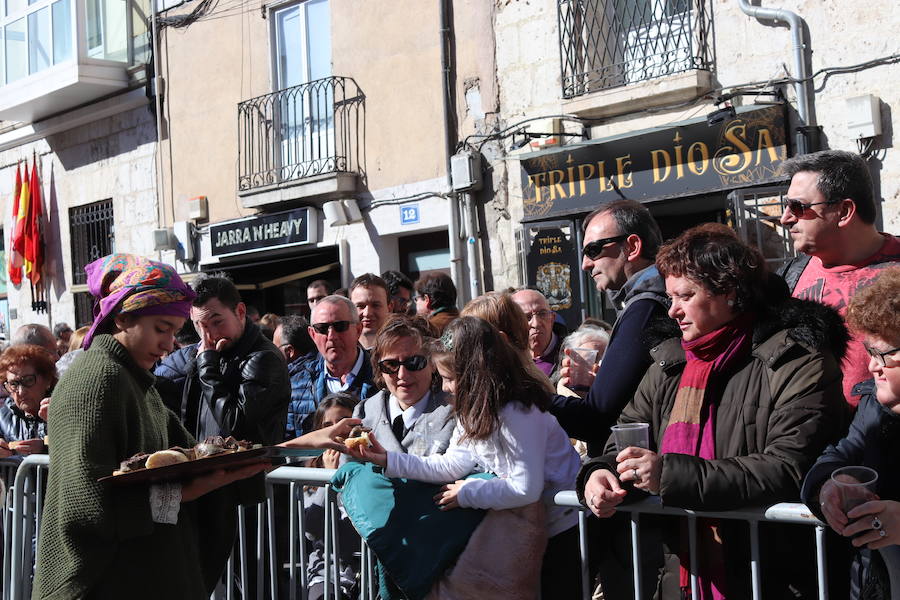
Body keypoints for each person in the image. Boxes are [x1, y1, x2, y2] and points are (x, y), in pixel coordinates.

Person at [579, 224, 849, 599]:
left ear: (730, 292)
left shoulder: (797, 360)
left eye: (685, 296)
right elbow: (624, 434)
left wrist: (667, 475)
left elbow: (789, 467)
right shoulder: (669, 362)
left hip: (772, 573)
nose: (672, 310)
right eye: (670, 297)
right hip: (679, 570)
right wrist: (601, 473)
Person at [32, 254, 270, 599]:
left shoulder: (135, 381)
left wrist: (296, 446)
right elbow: (85, 505)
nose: (169, 344)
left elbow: (192, 456)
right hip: (103, 582)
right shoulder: (97, 381)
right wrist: (188, 492)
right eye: (161, 329)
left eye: (174, 332)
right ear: (124, 317)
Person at [350, 316, 582, 598]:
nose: (445, 388)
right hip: (538, 526)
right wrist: (387, 459)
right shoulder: (473, 410)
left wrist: (468, 492)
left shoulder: (517, 412)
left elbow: (526, 488)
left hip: (568, 526)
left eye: (450, 378)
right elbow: (451, 464)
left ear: (476, 374)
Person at [801, 267, 900, 599]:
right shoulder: (875, 404)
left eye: (884, 355)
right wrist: (828, 485)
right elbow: (841, 454)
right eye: (870, 352)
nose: (873, 366)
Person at [778, 150, 900, 407]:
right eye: (786, 205)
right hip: (808, 438)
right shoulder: (788, 278)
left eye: (798, 207)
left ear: (844, 211)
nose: (785, 218)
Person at [550, 199, 670, 453]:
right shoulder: (642, 304)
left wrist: (530, 395)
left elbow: (595, 419)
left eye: (593, 250)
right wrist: (597, 385)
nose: (585, 264)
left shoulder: (646, 307)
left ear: (633, 246)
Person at [154, 274, 291, 446]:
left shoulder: (263, 358)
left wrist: (207, 368)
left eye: (217, 322)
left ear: (240, 312)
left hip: (247, 468)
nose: (209, 336)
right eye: (199, 325)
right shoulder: (208, 353)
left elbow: (235, 425)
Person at [352, 314, 455, 457]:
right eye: (391, 365)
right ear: (379, 369)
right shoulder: (365, 413)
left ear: (433, 363)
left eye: (413, 363)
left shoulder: (455, 413)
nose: (402, 375)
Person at [285, 295, 378, 437]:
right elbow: (290, 444)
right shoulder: (296, 382)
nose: (332, 336)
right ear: (312, 334)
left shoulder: (384, 375)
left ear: (358, 330)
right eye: (322, 328)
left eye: (340, 326)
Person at [303, 392, 360, 600]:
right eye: (328, 425)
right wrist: (329, 478)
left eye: (343, 422)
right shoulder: (312, 471)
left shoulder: (374, 462)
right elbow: (312, 530)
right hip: (328, 572)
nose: (337, 431)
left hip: (368, 569)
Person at [0, 344, 54, 457]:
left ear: (47, 380)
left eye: (29, 380)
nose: (21, 391)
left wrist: (45, 448)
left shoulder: (63, 410)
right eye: (13, 384)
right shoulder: (3, 418)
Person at [274, 315, 319, 439]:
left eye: (274, 348)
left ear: (290, 351)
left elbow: (288, 434)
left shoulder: (292, 383)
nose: (272, 353)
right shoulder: (323, 368)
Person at [511, 288, 562, 378]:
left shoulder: (571, 356)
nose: (536, 324)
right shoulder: (509, 360)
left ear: (552, 318)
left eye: (542, 314)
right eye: (526, 317)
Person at [553, 321, 609, 391]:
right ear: (572, 364)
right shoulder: (558, 398)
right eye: (593, 358)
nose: (600, 364)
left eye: (606, 358)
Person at [349, 273, 390, 351]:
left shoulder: (404, 352)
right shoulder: (341, 354)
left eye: (375, 305)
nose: (367, 313)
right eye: (360, 306)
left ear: (389, 307)